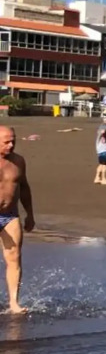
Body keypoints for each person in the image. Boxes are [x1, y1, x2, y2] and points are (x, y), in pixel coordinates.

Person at [0, 127, 36, 314]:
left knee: (14, 258)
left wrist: (30, 214)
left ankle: (14, 303)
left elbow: (24, 188)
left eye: (13, 141)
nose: (11, 145)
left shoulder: (18, 161)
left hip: (9, 215)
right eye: (6, 142)